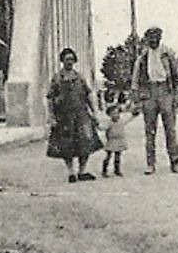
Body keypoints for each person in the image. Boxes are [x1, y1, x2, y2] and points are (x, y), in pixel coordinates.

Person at [131, 26, 178, 174]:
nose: (153, 40)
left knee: (171, 130)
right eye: (150, 38)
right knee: (150, 131)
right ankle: (150, 164)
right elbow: (135, 81)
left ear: (160, 38)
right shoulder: (142, 58)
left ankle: (175, 162)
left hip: (165, 92)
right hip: (149, 93)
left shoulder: (167, 54)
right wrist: (136, 101)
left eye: (156, 38)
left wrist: (177, 96)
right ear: (147, 39)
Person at [46, 47, 102, 183]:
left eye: (71, 59)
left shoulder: (80, 77)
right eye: (66, 60)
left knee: (86, 142)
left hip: (81, 115)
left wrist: (95, 113)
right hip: (64, 116)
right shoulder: (57, 78)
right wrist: (52, 117)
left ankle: (82, 171)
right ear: (62, 61)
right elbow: (50, 98)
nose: (69, 62)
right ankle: (71, 172)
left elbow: (88, 94)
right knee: (66, 145)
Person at [100, 102, 136, 178]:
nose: (116, 115)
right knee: (108, 156)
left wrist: (134, 115)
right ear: (109, 115)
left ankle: (117, 170)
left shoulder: (121, 121)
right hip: (111, 141)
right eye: (113, 114)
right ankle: (104, 170)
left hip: (120, 141)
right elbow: (103, 128)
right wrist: (97, 124)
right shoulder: (109, 123)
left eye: (117, 113)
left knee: (118, 156)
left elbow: (128, 120)